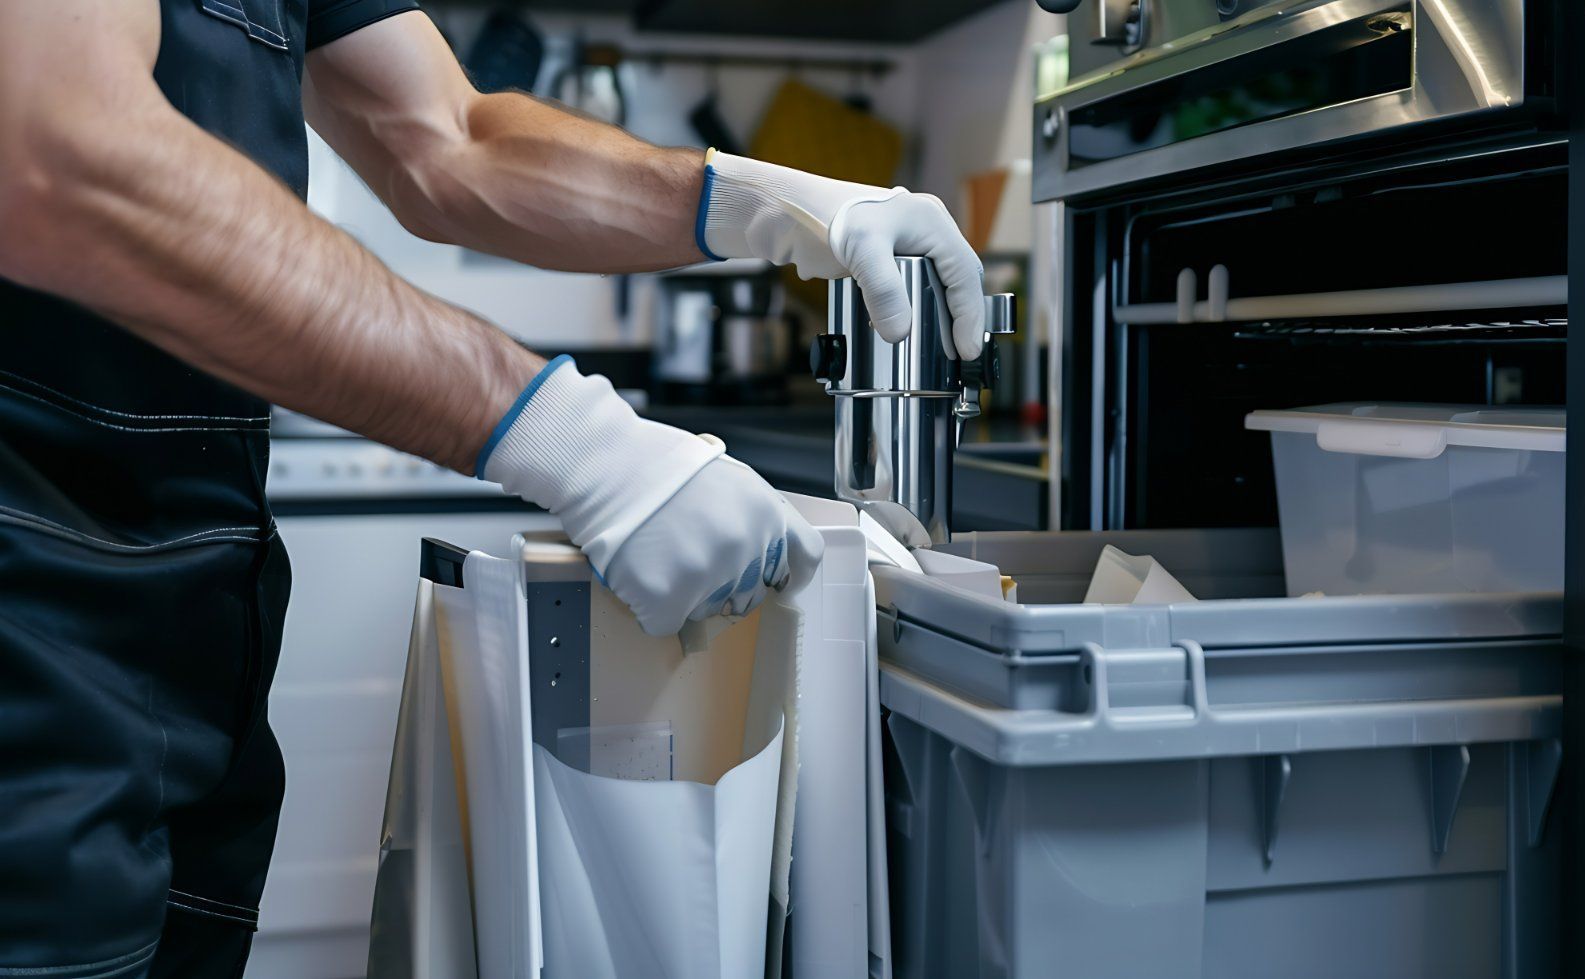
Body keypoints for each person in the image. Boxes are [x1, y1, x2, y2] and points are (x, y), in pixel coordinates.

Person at [0, 2, 986, 975]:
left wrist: (754, 199)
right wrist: (572, 438)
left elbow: (449, 139)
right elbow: (61, 152)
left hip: (196, 636)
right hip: (34, 609)